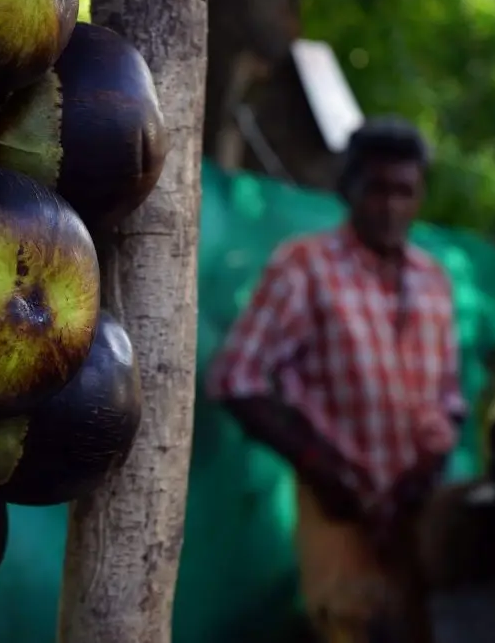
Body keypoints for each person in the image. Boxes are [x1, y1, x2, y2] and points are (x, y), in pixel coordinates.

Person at [206, 118, 464, 643]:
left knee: (419, 628)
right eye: (376, 190)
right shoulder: (306, 266)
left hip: (415, 514)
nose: (390, 206)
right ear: (349, 190)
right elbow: (235, 380)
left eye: (404, 191)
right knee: (352, 625)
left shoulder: (433, 278)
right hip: (338, 510)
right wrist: (319, 467)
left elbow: (449, 399)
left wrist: (426, 470)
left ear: (419, 196)